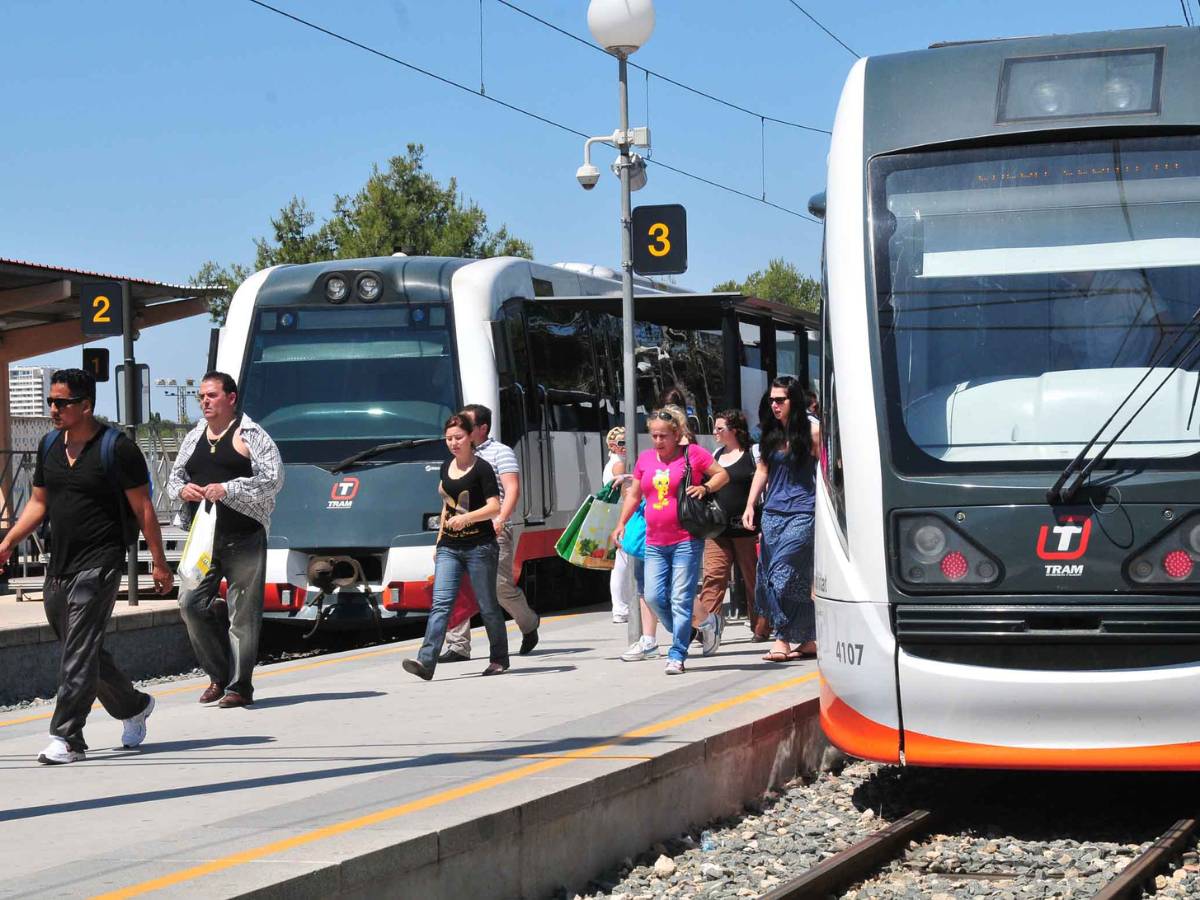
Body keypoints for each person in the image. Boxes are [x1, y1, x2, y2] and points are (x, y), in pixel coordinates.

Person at [0, 369, 172, 764]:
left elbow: (143, 507)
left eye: (61, 403)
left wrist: (159, 563)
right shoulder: (48, 446)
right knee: (82, 649)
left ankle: (66, 737)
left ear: (86, 406)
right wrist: (9, 541)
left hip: (101, 561)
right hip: (58, 563)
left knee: (77, 651)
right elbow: (39, 502)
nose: (53, 409)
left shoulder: (117, 448)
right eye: (50, 401)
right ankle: (133, 705)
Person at [167, 371, 283, 708]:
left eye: (212, 395)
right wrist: (183, 490)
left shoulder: (252, 435)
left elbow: (274, 479)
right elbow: (174, 480)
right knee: (189, 603)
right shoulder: (193, 437)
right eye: (202, 396)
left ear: (231, 398)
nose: (205, 401)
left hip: (244, 536)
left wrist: (228, 489)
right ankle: (218, 674)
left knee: (242, 614)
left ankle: (239, 686)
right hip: (204, 538)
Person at [612, 409, 728, 674]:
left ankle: (677, 653)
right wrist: (621, 523)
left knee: (680, 597)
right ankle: (702, 627)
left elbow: (722, 474)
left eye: (663, 435)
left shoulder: (693, 455)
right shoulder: (645, 460)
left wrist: (706, 487)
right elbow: (634, 495)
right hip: (654, 541)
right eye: (654, 435)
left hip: (686, 538)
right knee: (652, 595)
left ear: (676, 434)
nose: (658, 440)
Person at [403, 414, 510, 679]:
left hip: (480, 546)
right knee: (441, 604)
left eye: (458, 437)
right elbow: (446, 507)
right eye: (449, 438)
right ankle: (426, 662)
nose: (453, 443)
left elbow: (494, 506)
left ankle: (499, 658)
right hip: (450, 546)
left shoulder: (482, 468)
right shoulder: (445, 467)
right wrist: (439, 542)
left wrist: (467, 518)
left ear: (471, 437)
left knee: (487, 605)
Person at [439, 404, 540, 662]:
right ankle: (458, 646)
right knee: (457, 588)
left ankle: (528, 623)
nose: (459, 432)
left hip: (492, 529)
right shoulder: (456, 458)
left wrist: (501, 520)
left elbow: (512, 488)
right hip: (460, 534)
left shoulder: (500, 453)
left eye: (466, 426)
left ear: (482, 429)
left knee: (498, 587)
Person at [742, 376, 820, 663]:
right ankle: (810, 637)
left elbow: (826, 471)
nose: (774, 405)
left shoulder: (812, 431)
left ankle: (782, 638)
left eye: (780, 400)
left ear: (794, 401)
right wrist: (751, 505)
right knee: (792, 579)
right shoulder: (770, 432)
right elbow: (762, 471)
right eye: (771, 400)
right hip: (773, 514)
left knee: (781, 575)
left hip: (804, 511)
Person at [695, 410, 770, 651]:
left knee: (752, 579)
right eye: (715, 429)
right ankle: (707, 630)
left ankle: (761, 627)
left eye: (720, 428)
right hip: (718, 529)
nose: (715, 433)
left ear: (734, 430)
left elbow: (764, 482)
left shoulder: (753, 453)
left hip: (747, 528)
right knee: (713, 578)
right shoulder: (716, 455)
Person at [602, 426, 634, 625]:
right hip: (622, 516)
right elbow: (624, 493)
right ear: (612, 446)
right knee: (623, 563)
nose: (625, 446)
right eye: (621, 443)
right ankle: (621, 608)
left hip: (615, 515)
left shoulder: (612, 463)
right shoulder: (619, 465)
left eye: (627, 442)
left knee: (621, 563)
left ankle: (621, 607)